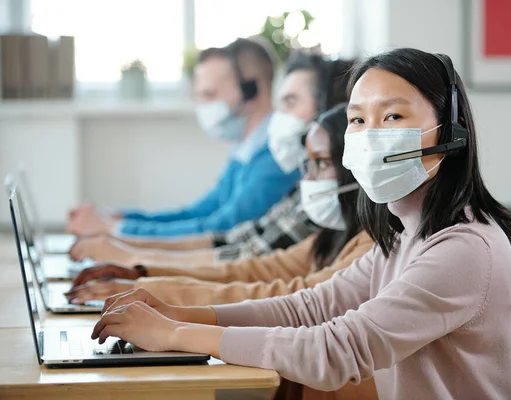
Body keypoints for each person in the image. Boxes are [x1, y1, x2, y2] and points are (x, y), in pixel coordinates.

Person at [90, 49, 511, 399]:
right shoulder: (403, 237)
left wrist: (176, 334)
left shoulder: (463, 248)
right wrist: (178, 314)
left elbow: (336, 350)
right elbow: (308, 309)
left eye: (393, 116)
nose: (370, 134)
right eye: (358, 119)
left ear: (449, 131)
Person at [66, 104, 377, 400]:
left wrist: (170, 317)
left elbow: (294, 298)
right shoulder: (334, 231)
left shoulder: (374, 242)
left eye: (320, 164)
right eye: (307, 165)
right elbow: (256, 270)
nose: (306, 180)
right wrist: (145, 275)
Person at [67, 54, 356, 267]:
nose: (202, 106)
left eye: (290, 102)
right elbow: (221, 229)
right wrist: (123, 228)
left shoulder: (276, 164)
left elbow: (226, 233)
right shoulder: (262, 159)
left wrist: (127, 244)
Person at [67, 37, 300, 238]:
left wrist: (117, 230)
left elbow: (222, 228)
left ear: (251, 88)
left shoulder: (276, 155)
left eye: (210, 94)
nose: (203, 106)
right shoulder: (246, 149)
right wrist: (121, 217)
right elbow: (200, 212)